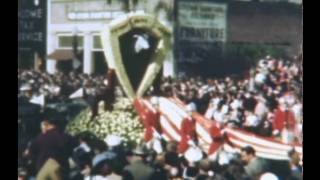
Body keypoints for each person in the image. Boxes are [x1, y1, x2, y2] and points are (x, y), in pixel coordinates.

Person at [25, 108, 78, 180]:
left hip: (43, 175)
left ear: (45, 124)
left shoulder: (39, 139)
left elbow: (29, 154)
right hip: (62, 174)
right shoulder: (67, 138)